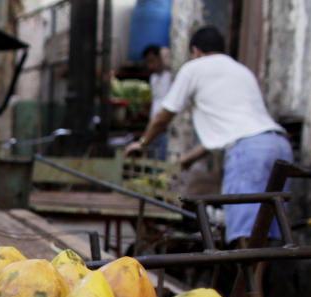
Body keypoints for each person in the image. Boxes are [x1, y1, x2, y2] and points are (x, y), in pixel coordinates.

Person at [126, 26, 293, 245]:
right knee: (266, 227)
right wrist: (187, 161)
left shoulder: (194, 68)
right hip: (279, 145)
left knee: (246, 232)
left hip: (249, 151)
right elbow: (232, 129)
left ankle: (249, 279)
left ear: (195, 50)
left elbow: (163, 116)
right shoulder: (241, 70)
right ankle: (257, 279)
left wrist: (142, 143)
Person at [140, 44, 172, 160]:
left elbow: (167, 55)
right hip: (154, 127)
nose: (151, 65)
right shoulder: (153, 78)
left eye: (153, 61)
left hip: (165, 128)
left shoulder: (170, 76)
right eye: (148, 62)